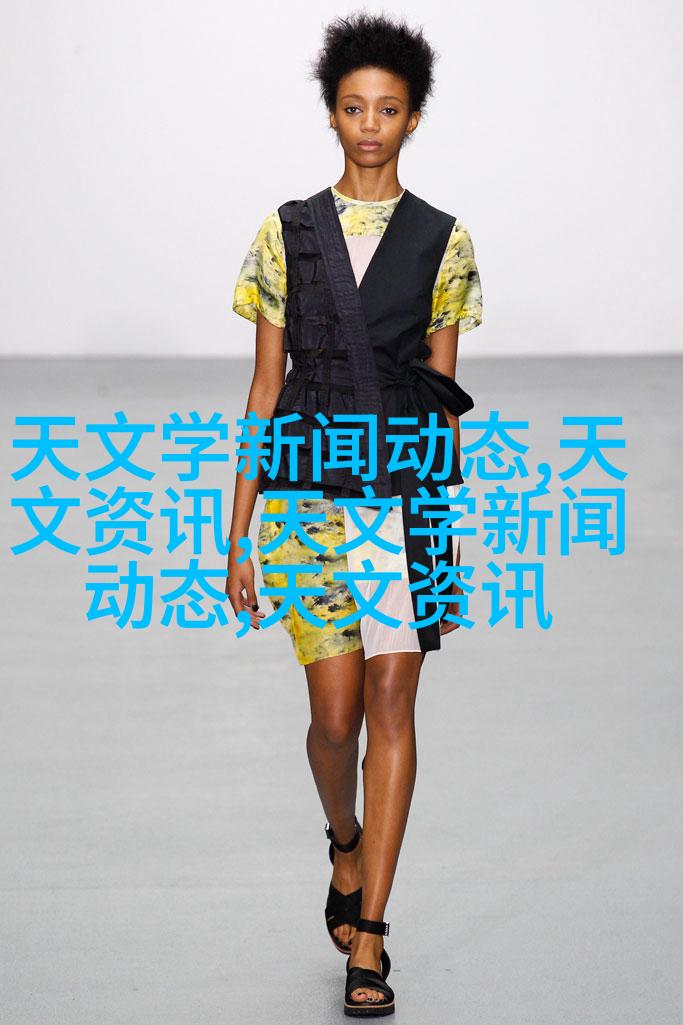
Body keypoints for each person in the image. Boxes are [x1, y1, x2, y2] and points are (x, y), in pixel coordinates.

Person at [226, 11, 482, 1017]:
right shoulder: (284, 233)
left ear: (412, 118)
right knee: (333, 723)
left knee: (390, 707)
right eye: (352, 107)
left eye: (387, 108)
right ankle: (343, 840)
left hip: (400, 503)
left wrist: (429, 529)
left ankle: (369, 934)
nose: (369, 124)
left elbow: (441, 397)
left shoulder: (444, 242)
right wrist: (236, 528)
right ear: (330, 114)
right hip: (302, 498)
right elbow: (263, 389)